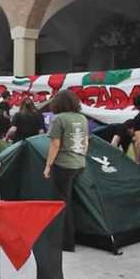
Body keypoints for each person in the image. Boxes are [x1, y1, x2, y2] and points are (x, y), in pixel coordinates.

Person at [43, 90, 88, 252]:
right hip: (79, 164)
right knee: (71, 201)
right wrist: (81, 157)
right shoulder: (82, 118)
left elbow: (55, 144)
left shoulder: (59, 119)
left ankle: (66, 243)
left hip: (64, 165)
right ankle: (74, 237)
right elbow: (85, 141)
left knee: (62, 204)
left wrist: (48, 165)